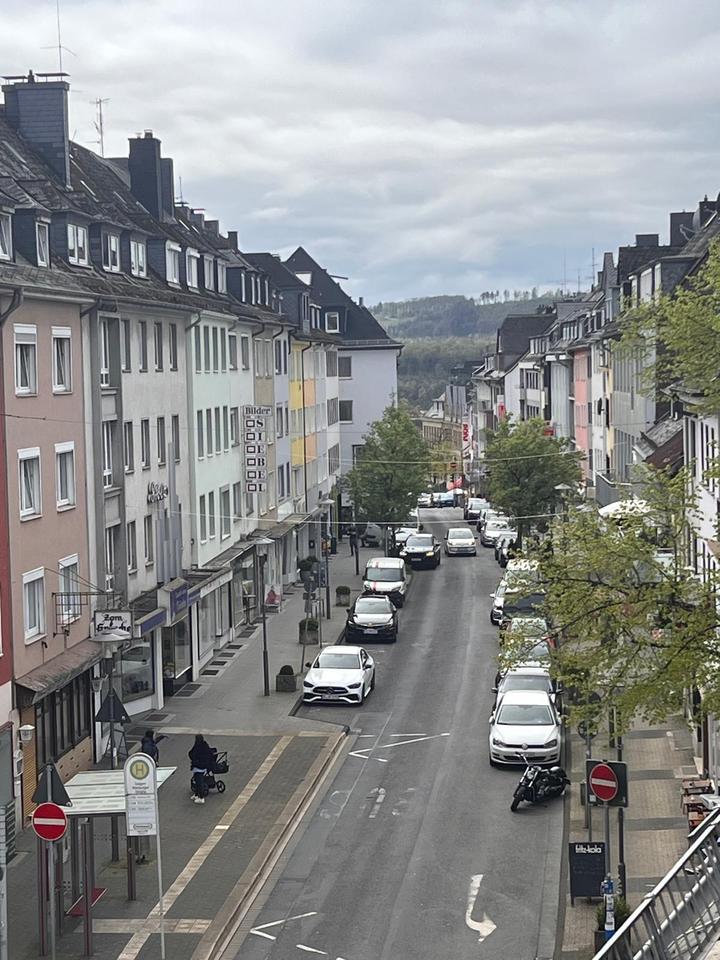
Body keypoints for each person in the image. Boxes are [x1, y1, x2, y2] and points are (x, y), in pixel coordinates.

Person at [188, 734, 215, 804]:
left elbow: (191, 753)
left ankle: (201, 797)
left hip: (198, 766)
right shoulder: (205, 745)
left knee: (199, 782)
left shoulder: (197, 746)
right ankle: (197, 794)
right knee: (197, 780)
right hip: (203, 766)